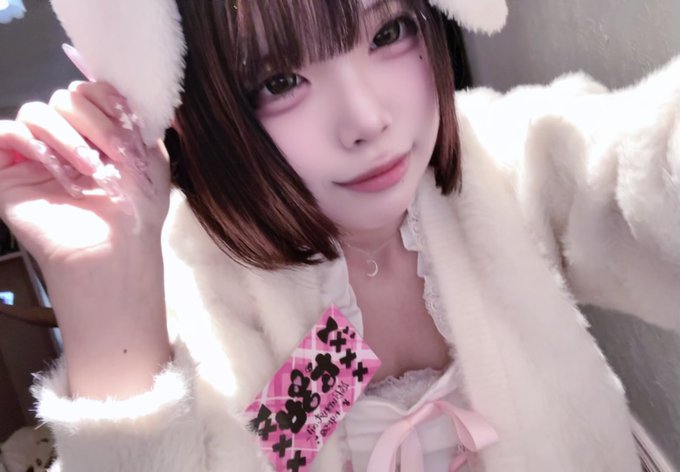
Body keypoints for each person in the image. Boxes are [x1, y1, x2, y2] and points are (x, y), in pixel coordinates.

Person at [0, 0, 678, 470]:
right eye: (280, 80)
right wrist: (104, 298)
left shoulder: (498, 162)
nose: (367, 119)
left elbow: (635, 172)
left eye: (389, 33)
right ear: (188, 113)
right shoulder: (197, 297)